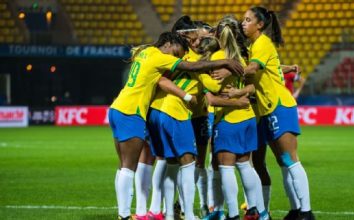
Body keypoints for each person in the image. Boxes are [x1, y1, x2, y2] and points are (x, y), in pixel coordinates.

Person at [109, 31, 244, 220]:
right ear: (170, 43)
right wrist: (225, 63)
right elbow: (192, 66)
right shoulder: (159, 57)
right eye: (177, 52)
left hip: (118, 107)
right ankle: (125, 215)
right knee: (130, 167)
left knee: (124, 165)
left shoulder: (146, 52)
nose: (176, 58)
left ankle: (135, 212)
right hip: (133, 111)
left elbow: (164, 78)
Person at [240, 6, 315, 220]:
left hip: (279, 106)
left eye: (247, 20)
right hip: (267, 108)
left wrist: (227, 67)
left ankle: (307, 213)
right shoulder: (257, 45)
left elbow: (253, 69)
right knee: (283, 162)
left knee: (291, 160)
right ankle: (294, 210)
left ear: (260, 24)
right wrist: (288, 67)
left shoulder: (262, 43)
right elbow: (270, 68)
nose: (243, 23)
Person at [202, 16, 269, 220]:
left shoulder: (218, 57)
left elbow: (212, 95)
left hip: (229, 120)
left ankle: (232, 214)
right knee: (244, 165)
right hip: (248, 118)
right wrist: (240, 95)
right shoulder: (242, 57)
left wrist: (201, 72)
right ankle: (255, 209)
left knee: (225, 167)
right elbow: (251, 86)